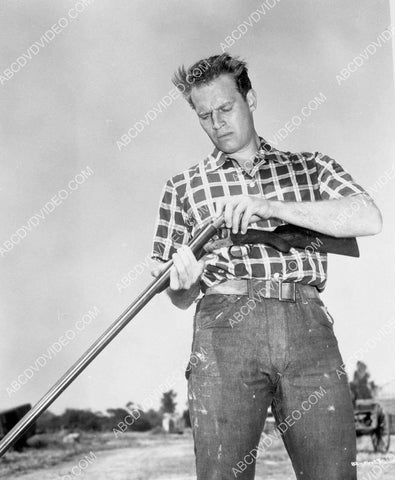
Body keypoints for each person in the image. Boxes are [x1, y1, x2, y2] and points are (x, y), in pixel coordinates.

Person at [151, 54, 382, 480]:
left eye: (226, 108)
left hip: (307, 324)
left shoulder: (310, 166)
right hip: (223, 332)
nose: (217, 122)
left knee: (333, 473)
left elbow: (368, 217)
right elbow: (179, 295)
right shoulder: (181, 187)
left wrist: (269, 207)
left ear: (250, 99)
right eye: (205, 116)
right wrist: (182, 282)